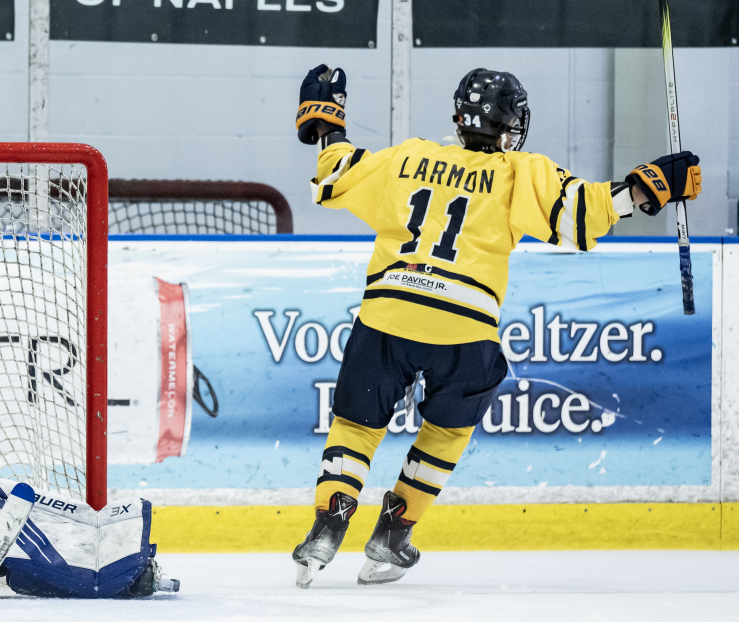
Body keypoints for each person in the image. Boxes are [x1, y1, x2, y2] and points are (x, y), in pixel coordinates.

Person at [289, 64, 702, 586]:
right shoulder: (518, 172)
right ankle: (393, 534)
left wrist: (327, 123)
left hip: (388, 313)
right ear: (509, 125)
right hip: (463, 328)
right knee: (446, 430)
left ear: (459, 117)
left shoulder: (408, 157)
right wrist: (651, 186)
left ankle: (328, 527)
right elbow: (584, 212)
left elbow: (337, 174)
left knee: (356, 425)